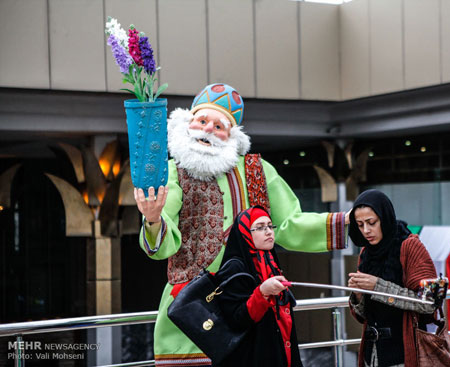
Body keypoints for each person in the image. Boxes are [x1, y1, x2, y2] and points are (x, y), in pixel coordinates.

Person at [133, 83, 348, 366]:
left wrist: (350, 223)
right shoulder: (173, 172)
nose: (208, 129)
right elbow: (162, 243)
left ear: (231, 135)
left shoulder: (257, 171)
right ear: (188, 124)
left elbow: (289, 225)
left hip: (250, 308)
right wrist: (152, 218)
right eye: (201, 121)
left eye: (219, 125)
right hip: (191, 312)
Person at [347, 189, 437, 367]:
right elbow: (365, 315)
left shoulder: (410, 246)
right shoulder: (366, 253)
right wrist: (358, 296)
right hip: (371, 354)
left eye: (371, 222)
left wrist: (378, 287)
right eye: (359, 224)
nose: (366, 230)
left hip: (405, 354)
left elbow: (431, 301)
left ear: (385, 218)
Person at [215, 206, 301, 367]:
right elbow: (236, 319)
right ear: (246, 233)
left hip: (281, 349)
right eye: (260, 228)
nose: (269, 231)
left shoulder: (270, 260)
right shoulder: (234, 268)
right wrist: (262, 292)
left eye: (270, 226)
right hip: (252, 356)